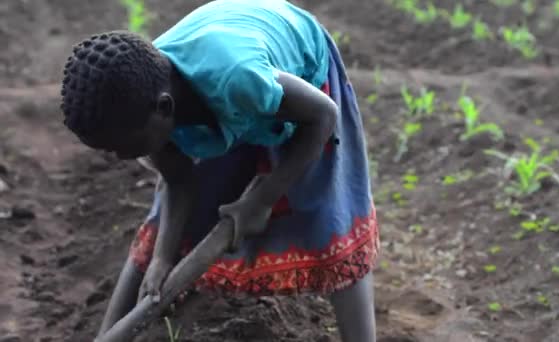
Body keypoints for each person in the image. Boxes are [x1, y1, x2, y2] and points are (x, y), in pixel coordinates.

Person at [59, 0, 379, 341]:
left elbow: (323, 115)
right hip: (231, 85)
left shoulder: (238, 80)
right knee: (162, 234)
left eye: (121, 146)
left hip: (303, 80)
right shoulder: (147, 102)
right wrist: (163, 259)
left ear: (165, 109)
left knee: (328, 220)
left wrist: (264, 197)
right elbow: (178, 182)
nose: (119, 157)